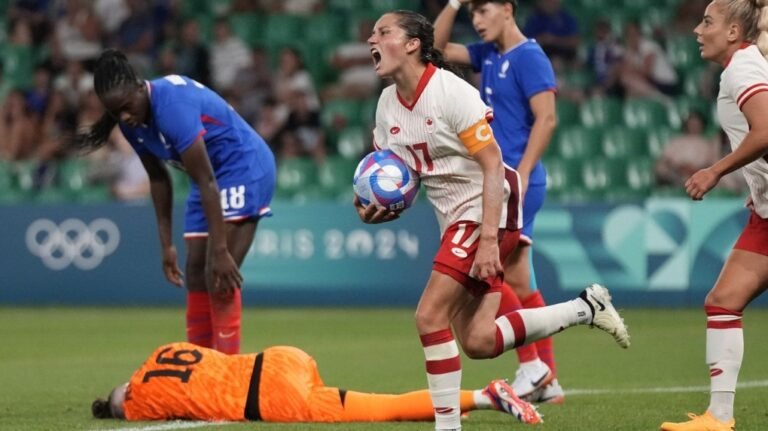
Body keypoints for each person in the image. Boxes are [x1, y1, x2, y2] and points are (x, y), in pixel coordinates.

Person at [358, 10, 630, 431]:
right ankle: (585, 308)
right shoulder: (387, 105)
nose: (370, 39)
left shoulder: (450, 92)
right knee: (479, 342)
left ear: (412, 43)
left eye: (383, 31)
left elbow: (491, 166)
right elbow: (401, 172)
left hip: (491, 208)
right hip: (456, 219)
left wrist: (488, 242)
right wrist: (380, 206)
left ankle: (447, 427)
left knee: (429, 316)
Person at [73, 49, 276, 355]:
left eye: (127, 107)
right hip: (205, 178)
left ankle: (226, 373)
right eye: (117, 113)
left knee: (217, 274)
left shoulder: (172, 107)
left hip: (242, 169)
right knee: (195, 272)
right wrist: (166, 244)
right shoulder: (132, 124)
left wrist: (220, 249)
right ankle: (198, 368)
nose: (125, 117)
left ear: (140, 86)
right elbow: (158, 179)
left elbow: (208, 180)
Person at [433, 0, 563, 403]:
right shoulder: (488, 52)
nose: (477, 20)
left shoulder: (529, 57)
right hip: (498, 182)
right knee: (520, 279)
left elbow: (547, 118)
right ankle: (548, 379)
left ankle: (532, 367)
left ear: (508, 9)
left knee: (488, 270)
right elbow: (434, 50)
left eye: (483, 10)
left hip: (515, 182)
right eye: (472, 14)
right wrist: (453, 4)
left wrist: (521, 174)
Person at [660, 1, 768, 430]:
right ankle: (718, 418)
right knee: (723, 301)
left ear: (733, 31)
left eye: (708, 22)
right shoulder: (747, 61)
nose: (697, 30)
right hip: (764, 213)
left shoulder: (742, 70)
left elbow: (764, 132)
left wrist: (714, 169)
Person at [91, 342, 537, 423]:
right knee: (376, 403)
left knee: (384, 408)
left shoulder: (138, 405)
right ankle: (483, 395)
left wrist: (117, 408)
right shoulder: (163, 351)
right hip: (281, 357)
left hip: (270, 398)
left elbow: (121, 404)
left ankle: (483, 397)